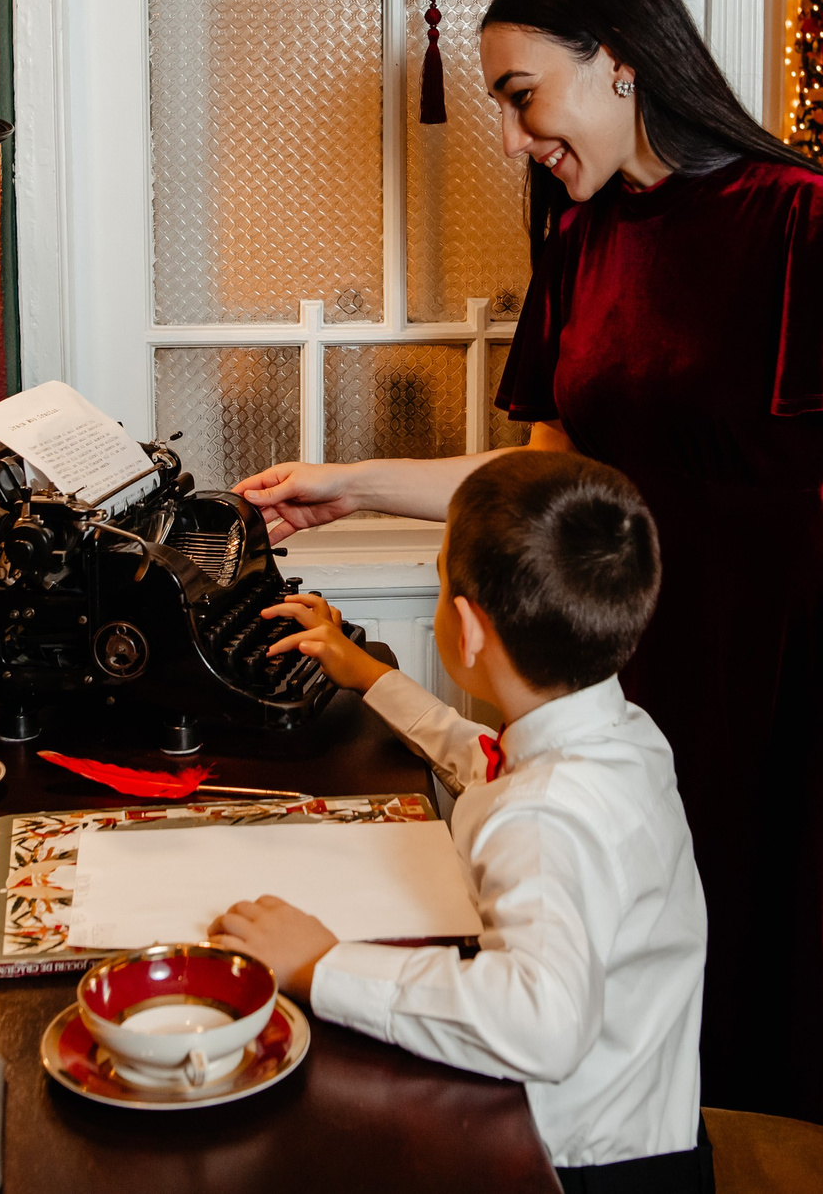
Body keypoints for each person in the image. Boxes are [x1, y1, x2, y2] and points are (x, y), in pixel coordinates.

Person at [236, 0, 823, 1122]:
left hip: (757, 654)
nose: (510, 140)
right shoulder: (581, 235)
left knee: (737, 942)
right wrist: (351, 482)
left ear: (618, 64)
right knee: (572, 946)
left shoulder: (805, 221)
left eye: (520, 98)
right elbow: (544, 478)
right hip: (600, 647)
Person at [213, 449, 710, 1193]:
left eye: (441, 583)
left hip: (579, 1165)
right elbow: (492, 762)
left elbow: (541, 1022)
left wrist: (324, 964)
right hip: (646, 1123)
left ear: (469, 629)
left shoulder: (548, 818)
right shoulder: (617, 732)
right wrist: (374, 675)